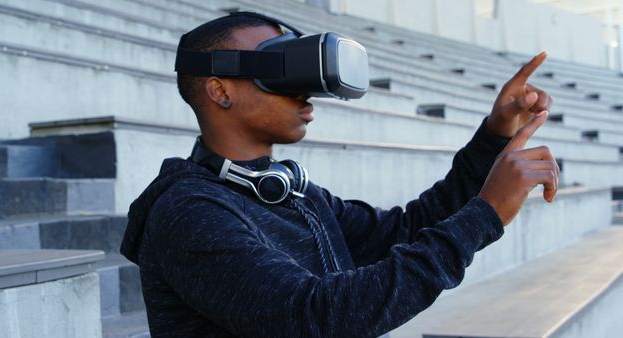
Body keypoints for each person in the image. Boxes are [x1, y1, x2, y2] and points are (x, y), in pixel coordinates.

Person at [120, 12, 557, 337]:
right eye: (281, 71)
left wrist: (495, 136)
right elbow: (314, 317)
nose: (307, 93)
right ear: (220, 90)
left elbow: (405, 229)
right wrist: (486, 213)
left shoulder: (288, 192)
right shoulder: (188, 212)